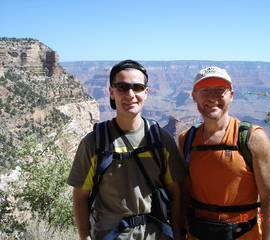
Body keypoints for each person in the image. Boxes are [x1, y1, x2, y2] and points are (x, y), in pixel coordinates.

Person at [67, 60, 187, 240]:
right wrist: (85, 236)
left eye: (137, 87)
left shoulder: (162, 140)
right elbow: (80, 195)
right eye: (122, 87)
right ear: (111, 92)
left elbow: (177, 192)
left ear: (146, 93)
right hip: (111, 234)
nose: (130, 94)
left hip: (156, 234)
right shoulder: (93, 143)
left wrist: (177, 234)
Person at [178, 66, 270, 240]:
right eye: (205, 90)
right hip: (197, 234)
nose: (212, 97)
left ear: (231, 95)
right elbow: (184, 194)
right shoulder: (186, 139)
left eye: (220, 91)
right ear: (194, 96)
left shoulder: (254, 139)